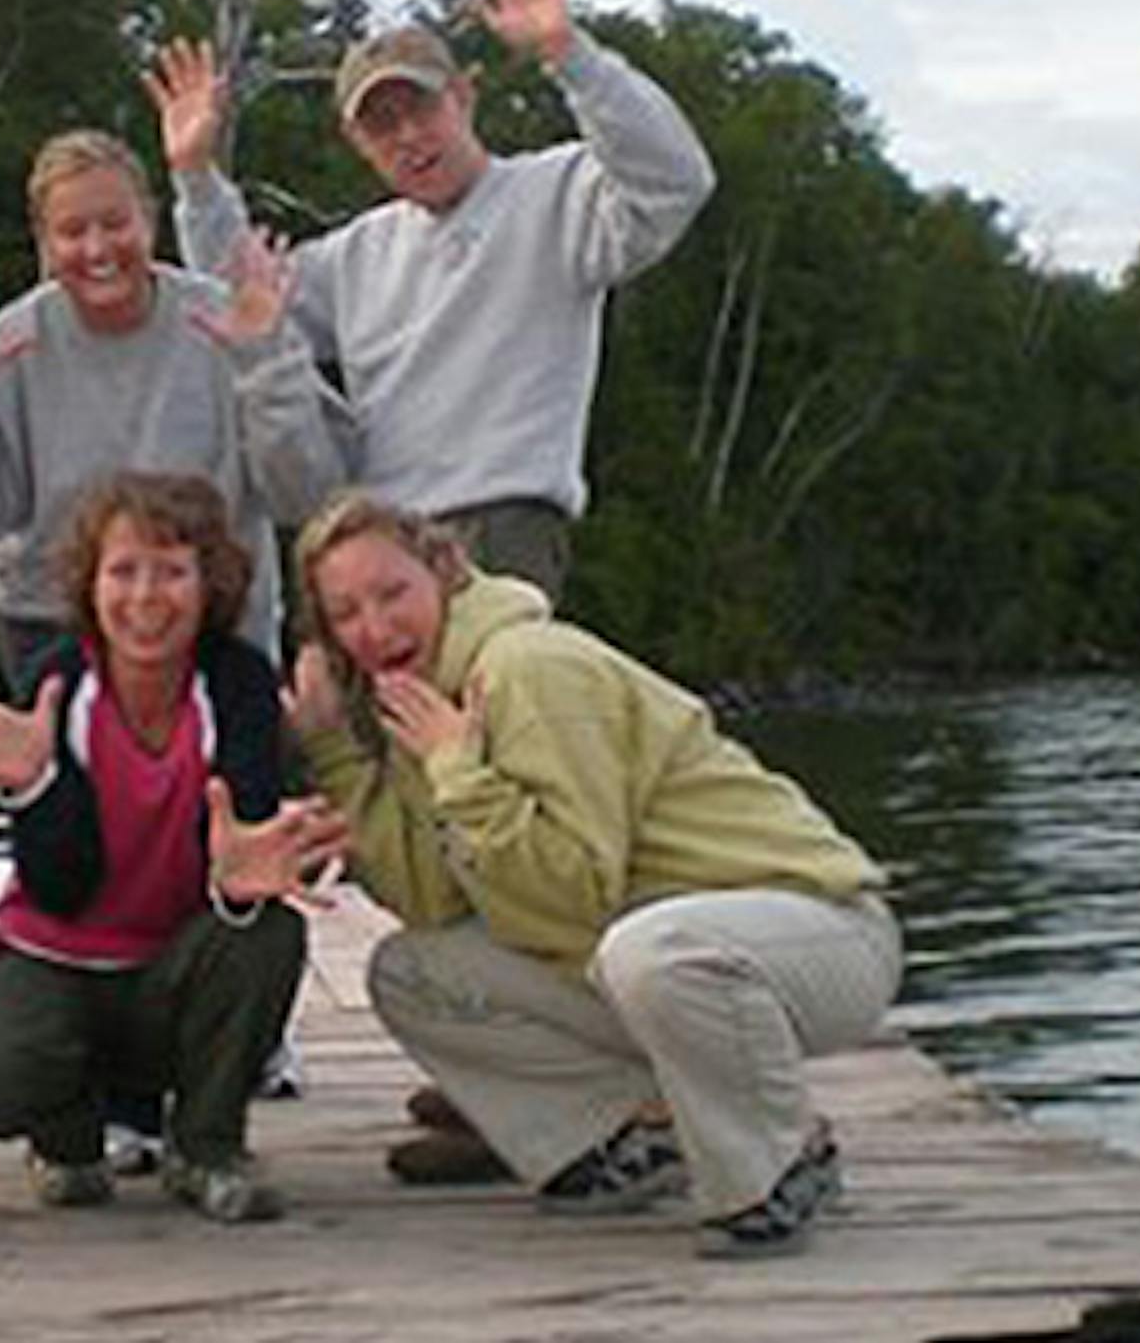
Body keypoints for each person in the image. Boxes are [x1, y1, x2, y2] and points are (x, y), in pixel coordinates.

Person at [285, 493, 901, 1257]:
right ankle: (633, 1143)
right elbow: (432, 903)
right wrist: (338, 750)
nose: (374, 628)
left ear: (445, 571)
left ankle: (776, 1165)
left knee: (652, 952)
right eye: (344, 613)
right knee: (413, 972)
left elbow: (574, 892)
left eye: (392, 593)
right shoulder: (419, 701)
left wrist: (456, 768)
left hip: (822, 931)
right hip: (658, 948)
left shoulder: (528, 668)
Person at [149, 0, 716, 604]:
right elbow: (239, 302)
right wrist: (195, 176)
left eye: (421, 107)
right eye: (381, 124)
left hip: (504, 534)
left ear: (464, 98)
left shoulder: (557, 195)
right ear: (358, 142)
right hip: (376, 542)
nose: (408, 136)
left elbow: (677, 180)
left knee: (486, 709)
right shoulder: (353, 256)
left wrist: (569, 54)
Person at [0, 473, 349, 1223]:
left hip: (174, 967)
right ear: (89, 583)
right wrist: (33, 787)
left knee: (269, 929)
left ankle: (207, 1148)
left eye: (172, 570)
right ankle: (69, 1140)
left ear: (209, 583)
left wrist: (245, 871)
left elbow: (241, 850)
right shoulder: (57, 683)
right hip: (59, 961)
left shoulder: (238, 682)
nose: (145, 596)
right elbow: (58, 888)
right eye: (123, 570)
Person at [0, 128, 350, 692]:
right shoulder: (5, 343)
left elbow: (303, 496)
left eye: (115, 224)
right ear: (42, 240)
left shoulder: (230, 320)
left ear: (150, 221)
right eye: (72, 231)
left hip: (217, 623)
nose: (97, 249)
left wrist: (266, 364)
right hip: (54, 628)